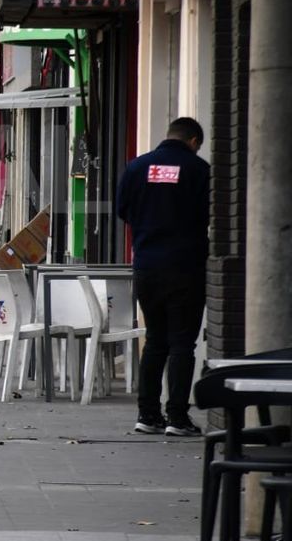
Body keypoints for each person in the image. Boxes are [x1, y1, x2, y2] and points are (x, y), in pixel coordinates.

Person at [116, 117, 210, 437]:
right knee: (183, 342)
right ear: (194, 141)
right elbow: (210, 213)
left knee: (155, 339)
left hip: (147, 266)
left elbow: (123, 210)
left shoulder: (136, 168)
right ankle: (177, 417)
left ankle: (147, 414)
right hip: (187, 267)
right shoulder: (200, 170)